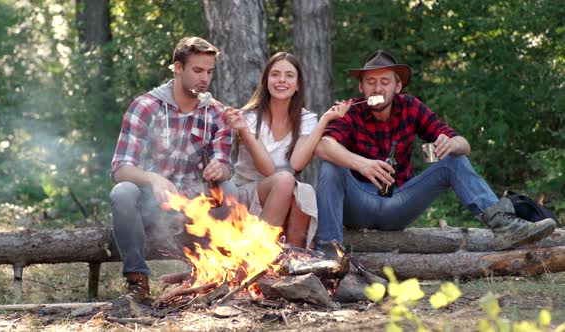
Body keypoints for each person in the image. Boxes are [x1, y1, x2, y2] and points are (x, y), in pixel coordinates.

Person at [314, 50, 557, 248]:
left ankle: (505, 227)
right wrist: (362, 164)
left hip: (398, 203)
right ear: (361, 88)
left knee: (454, 160)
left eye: (384, 82)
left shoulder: (409, 106)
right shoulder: (351, 112)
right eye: (371, 82)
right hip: (358, 204)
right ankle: (329, 251)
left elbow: (465, 144)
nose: (377, 88)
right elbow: (324, 146)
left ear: (397, 87)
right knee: (331, 166)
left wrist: (452, 143)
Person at [109, 37, 236, 304]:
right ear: (178, 68)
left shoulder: (217, 114)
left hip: (194, 205)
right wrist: (153, 178)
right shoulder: (146, 107)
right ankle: (138, 284)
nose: (205, 79)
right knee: (122, 192)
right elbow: (120, 168)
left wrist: (219, 169)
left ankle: (209, 275)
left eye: (210, 71)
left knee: (230, 189)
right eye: (197, 70)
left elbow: (225, 166)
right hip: (150, 205)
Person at [226, 52, 350, 248]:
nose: (282, 80)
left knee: (304, 191)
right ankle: (258, 254)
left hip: (283, 192)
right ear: (266, 80)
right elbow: (268, 169)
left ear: (298, 84)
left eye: (289, 75)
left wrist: (325, 120)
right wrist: (245, 132)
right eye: (275, 74)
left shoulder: (307, 119)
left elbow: (297, 163)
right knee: (286, 180)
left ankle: (292, 257)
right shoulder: (247, 117)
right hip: (246, 192)